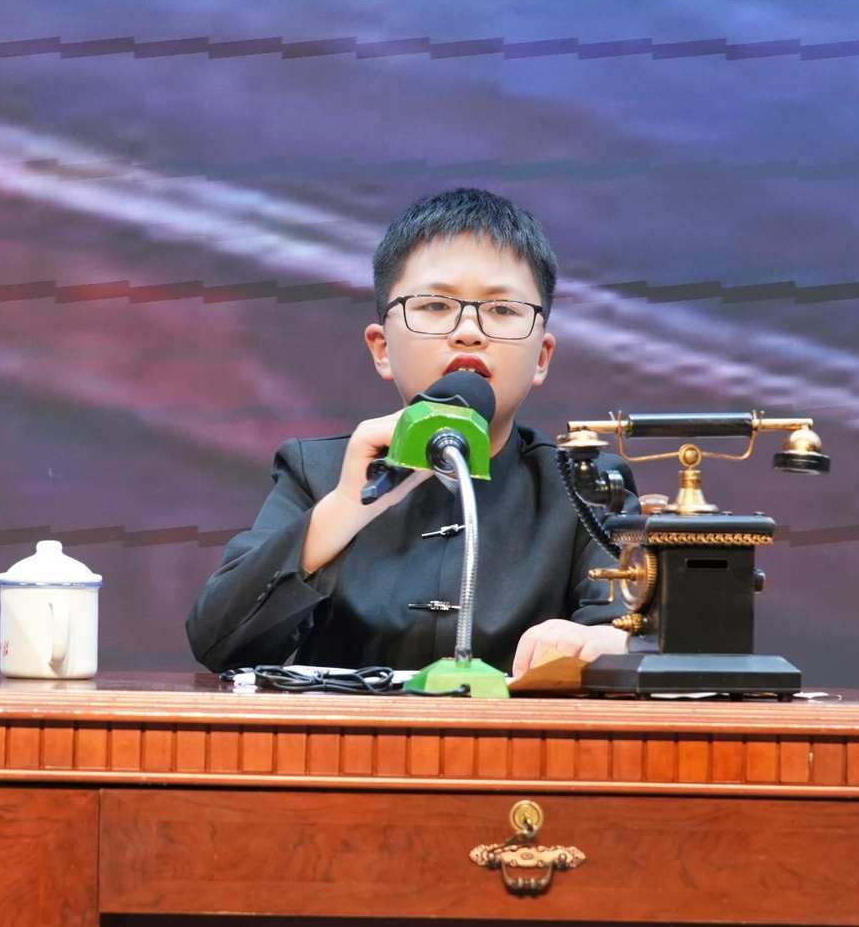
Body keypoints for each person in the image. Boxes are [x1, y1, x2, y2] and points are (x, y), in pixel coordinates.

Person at [188, 187, 634, 677]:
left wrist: (606, 641)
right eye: (435, 306)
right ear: (381, 349)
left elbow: (634, 632)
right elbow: (218, 642)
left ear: (542, 357)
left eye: (503, 309)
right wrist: (344, 508)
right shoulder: (317, 473)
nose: (468, 331)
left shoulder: (584, 485)